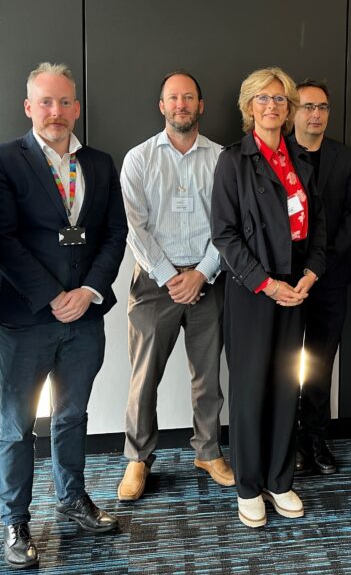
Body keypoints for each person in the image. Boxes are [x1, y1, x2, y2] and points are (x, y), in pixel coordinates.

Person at [0, 63, 127, 568]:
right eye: (45, 102)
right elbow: (1, 239)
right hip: (26, 317)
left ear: (77, 108)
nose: (55, 112)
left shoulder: (101, 164)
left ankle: (72, 497)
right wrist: (51, 296)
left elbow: (114, 235)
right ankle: (15, 520)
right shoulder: (0, 160)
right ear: (28, 107)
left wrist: (87, 291)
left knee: (72, 415)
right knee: (17, 424)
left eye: (64, 102)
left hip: (85, 315)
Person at [211, 67, 326, 527]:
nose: (273, 106)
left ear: (290, 108)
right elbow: (225, 234)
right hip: (254, 291)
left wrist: (311, 273)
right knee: (250, 388)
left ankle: (280, 479)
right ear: (249, 106)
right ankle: (248, 485)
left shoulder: (300, 158)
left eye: (281, 99)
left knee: (285, 385)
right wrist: (266, 282)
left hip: (296, 288)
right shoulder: (232, 160)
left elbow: (316, 227)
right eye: (264, 98)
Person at [118, 70, 233, 501]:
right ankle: (137, 458)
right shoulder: (139, 159)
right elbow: (136, 228)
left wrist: (202, 272)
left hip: (209, 279)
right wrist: (171, 277)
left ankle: (208, 451)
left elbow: (228, 226)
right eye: (173, 98)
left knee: (207, 375)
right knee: (144, 377)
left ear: (201, 106)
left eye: (189, 97)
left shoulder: (223, 159)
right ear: (161, 106)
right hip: (153, 283)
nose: (181, 104)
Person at [289, 79, 351, 475]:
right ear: (292, 111)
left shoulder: (345, 158)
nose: (315, 114)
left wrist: (321, 266)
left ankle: (315, 439)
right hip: (284, 282)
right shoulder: (277, 154)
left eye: (322, 107)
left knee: (319, 362)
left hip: (330, 279)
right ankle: (288, 441)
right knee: (284, 362)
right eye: (306, 107)